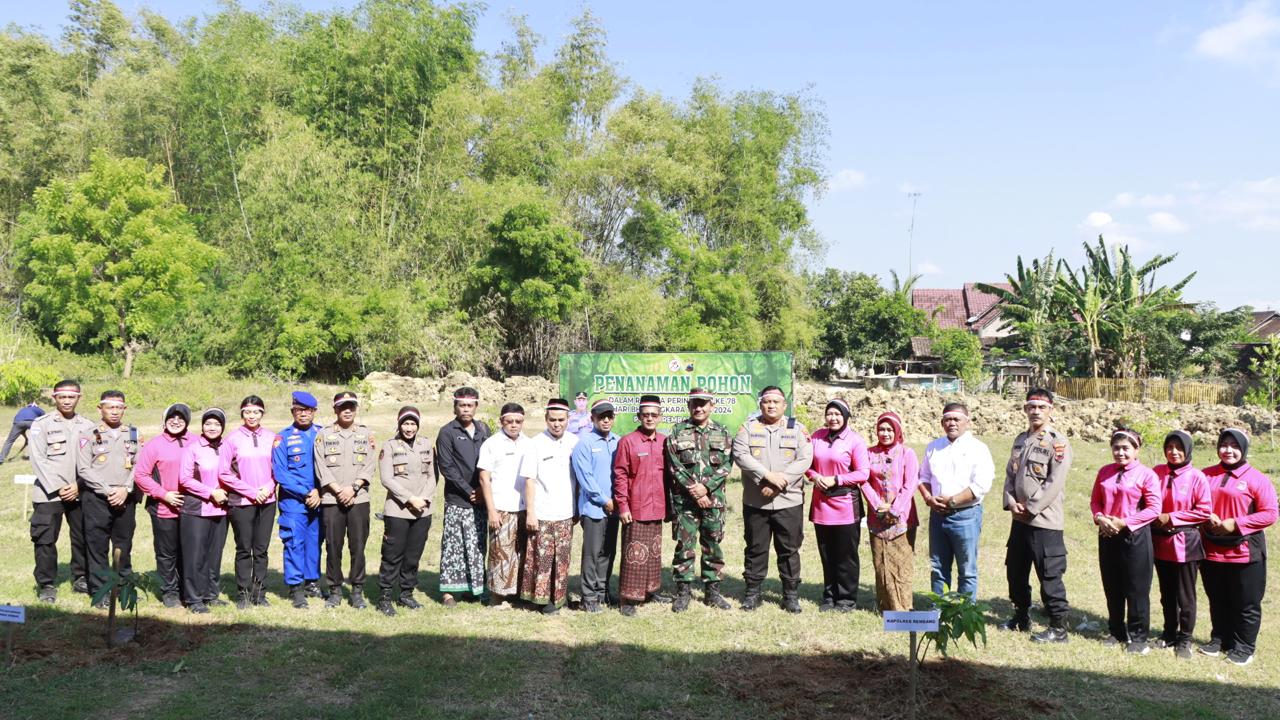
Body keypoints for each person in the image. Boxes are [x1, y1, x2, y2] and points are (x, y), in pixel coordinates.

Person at [1199, 428, 1277, 666]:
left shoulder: (1257, 479)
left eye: (1234, 445)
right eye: (1224, 445)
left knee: (1246, 602)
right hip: (1211, 549)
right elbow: (1193, 502)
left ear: (1243, 449)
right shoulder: (1205, 475)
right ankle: (1220, 639)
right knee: (1217, 598)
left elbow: (1271, 514)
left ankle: (1244, 646)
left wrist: (1237, 523)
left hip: (1244, 552)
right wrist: (1204, 515)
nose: (1228, 450)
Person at [1000, 389, 1073, 643]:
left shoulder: (1058, 442)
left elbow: (1054, 482)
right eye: (1031, 407)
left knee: (1049, 574)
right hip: (1019, 521)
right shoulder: (1020, 440)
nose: (1036, 411)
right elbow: (1010, 475)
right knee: (1016, 571)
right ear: (1025, 409)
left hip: (1044, 522)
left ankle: (1058, 627)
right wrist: (1010, 501)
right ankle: (1021, 616)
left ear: (1051, 410)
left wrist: (1030, 507)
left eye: (1041, 407)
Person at [733, 386, 813, 613]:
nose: (771, 405)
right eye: (766, 401)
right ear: (760, 404)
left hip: (789, 501)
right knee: (756, 548)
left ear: (784, 405)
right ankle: (752, 594)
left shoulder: (797, 429)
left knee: (789, 550)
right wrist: (767, 477)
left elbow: (805, 458)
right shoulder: (748, 428)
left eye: (776, 402)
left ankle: (790, 595)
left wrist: (782, 481)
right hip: (756, 502)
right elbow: (740, 455)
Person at [1090, 427, 1161, 654]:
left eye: (1125, 448)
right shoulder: (1104, 472)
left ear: (1136, 449)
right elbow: (1096, 502)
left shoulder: (1147, 475)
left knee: (1136, 588)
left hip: (1134, 537)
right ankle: (1116, 631)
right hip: (1107, 535)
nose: (1120, 453)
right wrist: (1100, 518)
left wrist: (1125, 522)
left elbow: (1154, 508)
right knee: (1112, 585)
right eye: (1116, 448)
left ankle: (1139, 636)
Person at [665, 387, 733, 612]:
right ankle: (683, 592)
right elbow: (674, 466)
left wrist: (706, 488)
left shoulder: (722, 432)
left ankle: (712, 593)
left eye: (703, 403)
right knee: (684, 546)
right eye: (695, 403)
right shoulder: (677, 432)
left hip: (714, 501)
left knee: (712, 545)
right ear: (688, 406)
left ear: (712, 406)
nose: (699, 407)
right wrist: (695, 490)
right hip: (685, 503)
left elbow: (727, 465)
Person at [918, 402, 994, 601]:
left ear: (967, 422)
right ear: (942, 422)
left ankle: (964, 612)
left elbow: (981, 485)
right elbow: (922, 477)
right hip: (937, 516)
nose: (951, 423)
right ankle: (939, 611)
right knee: (938, 568)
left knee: (967, 569)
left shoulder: (979, 449)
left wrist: (952, 502)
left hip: (965, 516)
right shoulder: (934, 447)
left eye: (956, 419)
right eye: (947, 419)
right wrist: (928, 498)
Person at [27, 379, 94, 602]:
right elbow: (38, 460)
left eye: (71, 397)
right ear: (54, 398)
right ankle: (46, 584)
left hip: (80, 491)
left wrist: (78, 485)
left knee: (83, 535)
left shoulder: (88, 426)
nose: (67, 401)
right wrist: (60, 487)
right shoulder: (40, 424)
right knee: (45, 539)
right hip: (48, 493)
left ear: (78, 398)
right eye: (62, 397)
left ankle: (81, 577)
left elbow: (95, 460)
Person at [804, 398, 869, 613]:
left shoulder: (855, 441)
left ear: (846, 417)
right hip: (821, 505)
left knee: (846, 556)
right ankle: (829, 597)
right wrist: (815, 476)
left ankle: (846, 599)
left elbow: (863, 473)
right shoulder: (816, 437)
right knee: (827, 554)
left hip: (845, 507)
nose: (833, 418)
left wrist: (836, 479)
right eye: (829, 414)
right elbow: (807, 465)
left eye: (837, 414)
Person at [77, 390, 140, 608]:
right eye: (110, 407)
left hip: (126, 497)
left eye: (118, 407)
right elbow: (84, 468)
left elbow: (139, 465)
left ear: (124, 409)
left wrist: (125, 488)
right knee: (97, 546)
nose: (114, 412)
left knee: (123, 544)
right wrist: (107, 490)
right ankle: (100, 590)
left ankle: (124, 586)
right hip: (97, 498)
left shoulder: (132, 433)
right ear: (100, 408)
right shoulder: (87, 434)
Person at [1151, 431, 1211, 659]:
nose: (1174, 452)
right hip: (1159, 541)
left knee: (1185, 594)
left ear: (1188, 450)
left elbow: (1204, 511)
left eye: (1179, 447)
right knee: (1166, 593)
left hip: (1185, 541)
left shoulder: (1196, 477)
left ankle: (1185, 638)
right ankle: (1169, 633)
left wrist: (1172, 518)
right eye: (1169, 447)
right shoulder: (1157, 472)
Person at [315, 391, 377, 609]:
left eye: (351, 406)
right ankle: (334, 590)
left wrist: (353, 488)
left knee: (358, 545)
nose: (347, 410)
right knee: (333, 546)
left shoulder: (365, 434)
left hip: (358, 498)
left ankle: (357, 590)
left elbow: (370, 464)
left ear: (356, 409)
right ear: (335, 410)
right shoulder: (323, 435)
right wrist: (338, 490)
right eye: (343, 407)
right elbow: (320, 466)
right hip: (332, 500)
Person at [519, 399, 579, 615]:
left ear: (567, 420)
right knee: (541, 559)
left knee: (562, 559)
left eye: (561, 420)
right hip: (542, 513)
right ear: (545, 420)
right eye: (552, 420)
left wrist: (577, 509)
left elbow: (578, 479)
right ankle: (541, 601)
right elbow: (529, 481)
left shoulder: (574, 442)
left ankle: (558, 596)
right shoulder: (534, 444)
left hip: (566, 512)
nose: (556, 424)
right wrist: (531, 513)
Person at [375, 406, 436, 616]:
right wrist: (410, 499)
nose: (409, 428)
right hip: (398, 510)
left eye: (413, 424)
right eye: (405, 423)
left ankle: (406, 594)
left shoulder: (426, 444)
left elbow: (431, 476)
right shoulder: (390, 446)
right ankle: (384, 597)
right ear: (399, 424)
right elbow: (386, 479)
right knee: (392, 555)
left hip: (422, 510)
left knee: (413, 555)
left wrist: (424, 499)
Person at [614, 395, 671, 616]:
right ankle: (628, 598)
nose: (649, 418)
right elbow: (620, 475)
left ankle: (651, 590)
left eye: (653, 415)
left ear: (660, 417)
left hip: (657, 507)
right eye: (645, 415)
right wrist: (623, 506)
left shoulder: (665, 442)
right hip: (635, 508)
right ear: (638, 416)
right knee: (634, 553)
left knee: (654, 552)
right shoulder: (628, 442)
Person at [133, 403, 195, 608]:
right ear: (165, 420)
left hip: (192, 508)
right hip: (163, 507)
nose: (176, 421)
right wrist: (164, 494)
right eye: (171, 418)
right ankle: (169, 591)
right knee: (167, 552)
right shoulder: (154, 444)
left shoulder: (196, 441)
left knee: (188, 550)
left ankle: (188, 589)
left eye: (180, 418)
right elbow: (141, 474)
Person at [219, 395, 277, 609]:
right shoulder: (232, 439)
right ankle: (242, 592)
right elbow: (224, 473)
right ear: (242, 413)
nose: (252, 416)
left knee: (261, 549)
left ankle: (259, 592)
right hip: (242, 501)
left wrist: (269, 488)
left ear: (262, 413)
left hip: (267, 500)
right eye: (247, 412)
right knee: (244, 548)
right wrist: (252, 492)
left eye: (256, 412)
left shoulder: (272, 437)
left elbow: (278, 469)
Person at [436, 387, 491, 606]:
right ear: (455, 407)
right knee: (453, 545)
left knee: (477, 545)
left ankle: (474, 589)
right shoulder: (447, 432)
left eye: (470, 405)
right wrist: (469, 492)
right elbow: (447, 467)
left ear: (476, 406)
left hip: (481, 499)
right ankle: (448, 592)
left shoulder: (484, 429)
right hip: (458, 499)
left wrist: (483, 491)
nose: (466, 409)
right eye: (462, 405)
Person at [863, 410, 920, 613]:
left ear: (897, 431)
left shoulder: (907, 453)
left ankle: (903, 608)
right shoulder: (869, 453)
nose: (885, 433)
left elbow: (911, 482)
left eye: (889, 429)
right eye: (881, 429)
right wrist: (877, 504)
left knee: (901, 564)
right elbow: (864, 481)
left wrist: (895, 509)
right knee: (881, 562)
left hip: (902, 517)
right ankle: (885, 607)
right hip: (877, 516)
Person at [478, 402, 531, 609]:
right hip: (501, 506)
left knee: (520, 552)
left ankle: (516, 593)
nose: (514, 425)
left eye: (518, 421)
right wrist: (491, 510)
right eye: (509, 421)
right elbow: (484, 478)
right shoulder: (491, 444)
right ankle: (497, 597)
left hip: (524, 507)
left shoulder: (529, 443)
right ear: (502, 421)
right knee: (501, 553)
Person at [273, 391, 323, 609]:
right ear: (293, 411)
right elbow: (280, 473)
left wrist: (319, 492)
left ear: (314, 412)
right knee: (294, 542)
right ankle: (296, 587)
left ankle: (312, 581)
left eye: (308, 410)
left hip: (320, 500)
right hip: (294, 502)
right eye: (298, 410)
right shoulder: (282, 438)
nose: (303, 414)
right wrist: (306, 493)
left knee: (315, 542)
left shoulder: (323, 434)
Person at [178, 408, 231, 613]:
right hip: (196, 509)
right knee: (195, 556)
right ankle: (193, 598)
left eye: (217, 424)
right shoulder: (193, 449)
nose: (212, 428)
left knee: (214, 555)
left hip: (221, 510)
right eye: (208, 423)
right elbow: (185, 479)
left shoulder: (226, 447)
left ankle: (211, 594)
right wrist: (211, 492)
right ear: (202, 426)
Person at [571, 399, 620, 612]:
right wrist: (605, 500)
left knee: (608, 552)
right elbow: (586, 478)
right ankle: (588, 597)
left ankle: (603, 591)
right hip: (594, 508)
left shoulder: (619, 441)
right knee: (592, 553)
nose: (606, 420)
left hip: (615, 507)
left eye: (609, 416)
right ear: (592, 419)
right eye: (601, 416)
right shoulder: (584, 443)